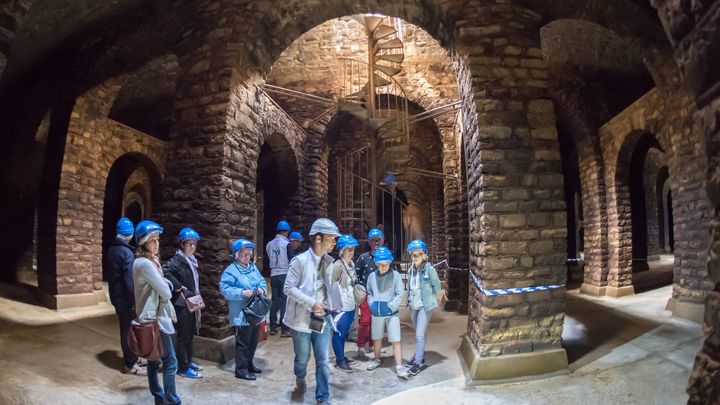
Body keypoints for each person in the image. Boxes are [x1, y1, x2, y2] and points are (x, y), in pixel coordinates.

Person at [284, 218, 340, 405]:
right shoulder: (299, 261)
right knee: (302, 359)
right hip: (301, 320)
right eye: (331, 238)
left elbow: (329, 288)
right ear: (318, 238)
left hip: (321, 319)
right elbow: (288, 288)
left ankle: (323, 397)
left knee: (323, 360)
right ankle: (300, 377)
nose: (334, 242)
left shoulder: (330, 262)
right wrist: (312, 303)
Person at [132, 220, 181, 405]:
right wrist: (166, 284)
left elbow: (161, 287)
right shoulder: (145, 264)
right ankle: (171, 400)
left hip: (152, 316)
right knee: (171, 361)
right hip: (155, 319)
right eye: (152, 239)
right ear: (143, 241)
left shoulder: (149, 261)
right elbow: (167, 293)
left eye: (157, 239)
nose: (156, 243)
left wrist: (164, 284)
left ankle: (159, 397)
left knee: (153, 361)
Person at [220, 238, 268, 381]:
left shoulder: (252, 267)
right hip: (241, 313)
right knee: (243, 343)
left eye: (249, 254)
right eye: (244, 254)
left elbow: (262, 281)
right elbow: (225, 289)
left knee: (253, 341)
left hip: (254, 313)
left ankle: (249, 364)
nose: (247, 257)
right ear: (236, 255)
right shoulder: (231, 271)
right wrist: (241, 293)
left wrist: (262, 289)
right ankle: (241, 370)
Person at [104, 217, 146, 375]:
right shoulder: (126, 253)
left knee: (126, 328)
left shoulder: (112, 249)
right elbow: (129, 281)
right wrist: (136, 299)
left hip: (116, 296)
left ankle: (133, 357)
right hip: (126, 299)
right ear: (130, 233)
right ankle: (130, 363)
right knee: (128, 331)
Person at [162, 227, 204, 379]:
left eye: (194, 243)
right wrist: (178, 286)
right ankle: (183, 367)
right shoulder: (177, 260)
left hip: (191, 303)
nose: (192, 246)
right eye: (189, 243)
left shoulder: (191, 260)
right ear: (182, 244)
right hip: (182, 304)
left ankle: (188, 360)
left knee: (190, 334)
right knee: (183, 336)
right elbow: (165, 271)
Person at [366, 246, 408, 379]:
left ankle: (399, 366)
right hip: (376, 313)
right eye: (380, 265)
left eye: (385, 265)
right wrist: (371, 304)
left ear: (390, 263)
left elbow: (399, 293)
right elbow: (369, 292)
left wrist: (391, 306)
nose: (383, 267)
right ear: (376, 264)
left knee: (396, 339)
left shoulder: (395, 276)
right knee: (376, 338)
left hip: (391, 314)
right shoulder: (372, 276)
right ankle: (377, 359)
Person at [404, 239, 441, 376]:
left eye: (418, 254)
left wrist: (434, 298)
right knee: (419, 333)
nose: (415, 257)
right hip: (414, 305)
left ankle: (418, 362)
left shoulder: (429, 269)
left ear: (424, 255)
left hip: (425, 306)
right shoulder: (410, 270)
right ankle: (419, 355)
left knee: (419, 334)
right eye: (413, 254)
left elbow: (437, 286)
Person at [328, 234, 359, 373]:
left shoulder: (351, 263)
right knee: (338, 332)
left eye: (352, 249)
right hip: (341, 306)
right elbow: (330, 285)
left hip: (351, 304)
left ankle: (342, 356)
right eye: (348, 249)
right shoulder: (337, 265)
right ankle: (339, 361)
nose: (351, 252)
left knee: (345, 332)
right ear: (341, 250)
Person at [354, 227, 384, 360]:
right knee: (365, 320)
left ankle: (372, 343)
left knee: (376, 321)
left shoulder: (385, 257)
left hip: (380, 294)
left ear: (382, 241)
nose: (375, 243)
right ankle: (361, 345)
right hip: (366, 293)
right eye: (373, 240)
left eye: (378, 240)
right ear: (369, 242)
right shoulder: (363, 258)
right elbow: (357, 274)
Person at [266, 220, 293, 337]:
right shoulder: (287, 244)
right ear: (286, 232)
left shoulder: (269, 244)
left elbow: (268, 257)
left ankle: (272, 327)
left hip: (273, 275)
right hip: (284, 274)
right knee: (284, 302)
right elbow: (291, 259)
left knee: (274, 301)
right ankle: (284, 329)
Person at [376, 172, 408, 259]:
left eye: (392, 183)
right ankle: (391, 259)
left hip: (398, 219)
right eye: (388, 184)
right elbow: (379, 209)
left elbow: (406, 205)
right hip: (387, 220)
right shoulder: (383, 194)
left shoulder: (400, 193)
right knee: (390, 240)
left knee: (401, 240)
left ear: (395, 184)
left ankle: (398, 258)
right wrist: (379, 222)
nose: (390, 185)